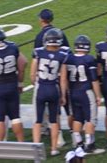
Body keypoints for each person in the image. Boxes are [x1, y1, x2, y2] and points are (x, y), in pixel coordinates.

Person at [30, 28, 69, 156]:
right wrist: (63, 95)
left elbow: (32, 73)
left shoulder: (38, 52)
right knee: (54, 120)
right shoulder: (62, 55)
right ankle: (54, 148)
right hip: (54, 89)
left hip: (41, 87)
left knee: (37, 120)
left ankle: (37, 149)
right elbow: (63, 78)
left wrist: (34, 82)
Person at [64, 35, 104, 155]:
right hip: (85, 92)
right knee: (90, 119)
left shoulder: (69, 58)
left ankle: (79, 144)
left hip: (73, 92)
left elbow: (65, 78)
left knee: (77, 118)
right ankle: (90, 146)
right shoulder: (89, 59)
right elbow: (94, 80)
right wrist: (98, 95)